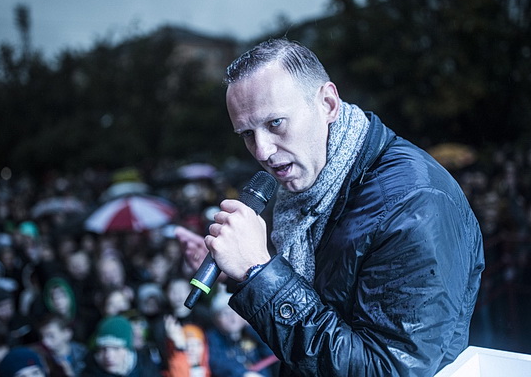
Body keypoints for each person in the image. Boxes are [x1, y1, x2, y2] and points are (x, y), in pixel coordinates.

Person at [175, 38, 485, 376]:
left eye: (275, 123)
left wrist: (258, 272)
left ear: (328, 104)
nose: (262, 150)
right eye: (247, 133)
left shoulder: (414, 204)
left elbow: (385, 369)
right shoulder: (311, 185)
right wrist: (240, 274)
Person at [206, 293, 277, 377]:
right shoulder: (213, 338)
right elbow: (217, 365)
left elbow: (270, 352)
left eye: (235, 312)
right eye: (225, 313)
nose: (232, 318)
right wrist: (243, 374)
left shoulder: (250, 332)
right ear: (216, 319)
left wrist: (251, 326)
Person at [81, 315, 160, 377]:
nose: (108, 355)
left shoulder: (146, 367)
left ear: (127, 349)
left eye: (116, 349)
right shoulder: (89, 371)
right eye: (103, 349)